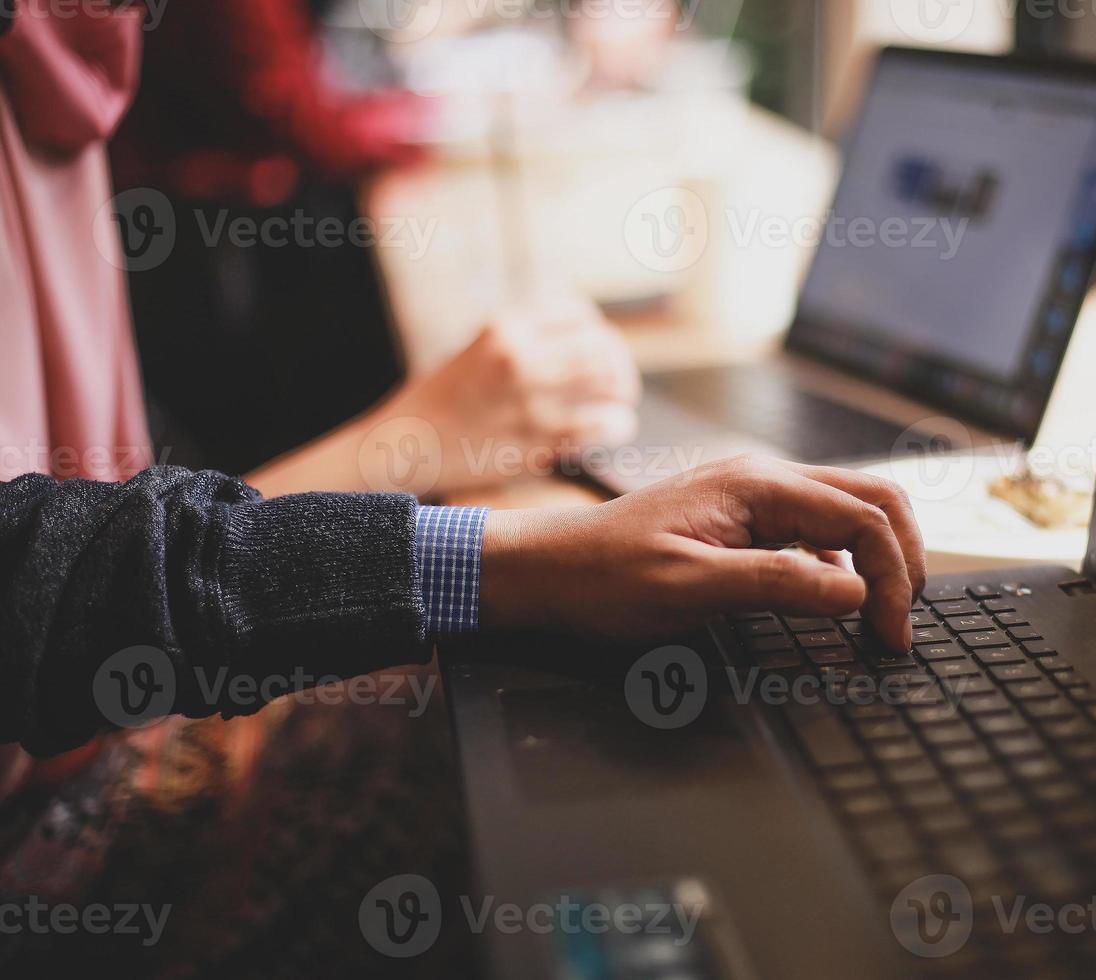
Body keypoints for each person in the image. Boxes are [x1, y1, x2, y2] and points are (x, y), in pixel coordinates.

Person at [0, 6, 924, 971]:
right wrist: (501, 546)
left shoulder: (60, 64)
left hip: (79, 747)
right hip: (51, 847)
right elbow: (28, 574)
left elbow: (115, 515)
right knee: (572, 763)